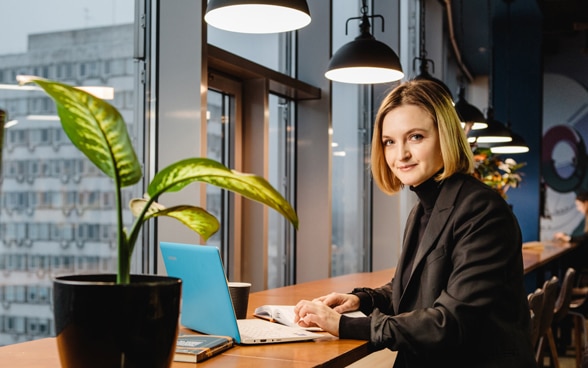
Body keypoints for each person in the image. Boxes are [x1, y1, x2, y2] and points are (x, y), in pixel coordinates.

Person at [293, 80, 536, 367]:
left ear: (445, 136)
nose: (401, 155)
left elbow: (450, 321)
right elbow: (412, 287)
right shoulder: (423, 209)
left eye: (416, 137)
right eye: (389, 142)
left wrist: (345, 326)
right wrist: (361, 300)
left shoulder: (481, 210)